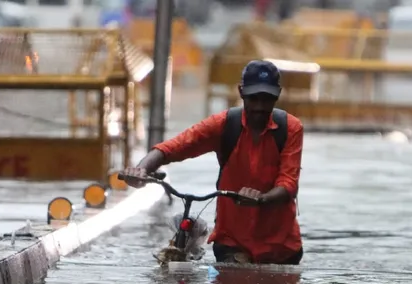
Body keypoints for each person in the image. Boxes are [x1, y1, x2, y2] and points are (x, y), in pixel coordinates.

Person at [123, 60, 304, 265]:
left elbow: (288, 184)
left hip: (281, 247)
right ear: (241, 92)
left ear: (278, 94)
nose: (260, 107)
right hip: (233, 243)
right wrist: (141, 169)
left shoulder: (291, 128)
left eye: (267, 99)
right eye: (254, 98)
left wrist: (261, 199)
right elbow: (174, 147)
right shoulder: (225, 125)